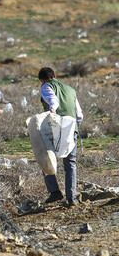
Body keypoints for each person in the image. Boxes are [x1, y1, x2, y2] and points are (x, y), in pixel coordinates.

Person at [38, 67, 83, 207]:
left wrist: (52, 110)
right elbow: (79, 115)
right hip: (72, 128)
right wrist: (75, 127)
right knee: (70, 164)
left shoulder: (46, 86)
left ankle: (54, 191)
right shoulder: (71, 90)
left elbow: (53, 100)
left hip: (55, 127)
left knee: (46, 157)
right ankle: (71, 198)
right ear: (55, 76)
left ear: (42, 80)